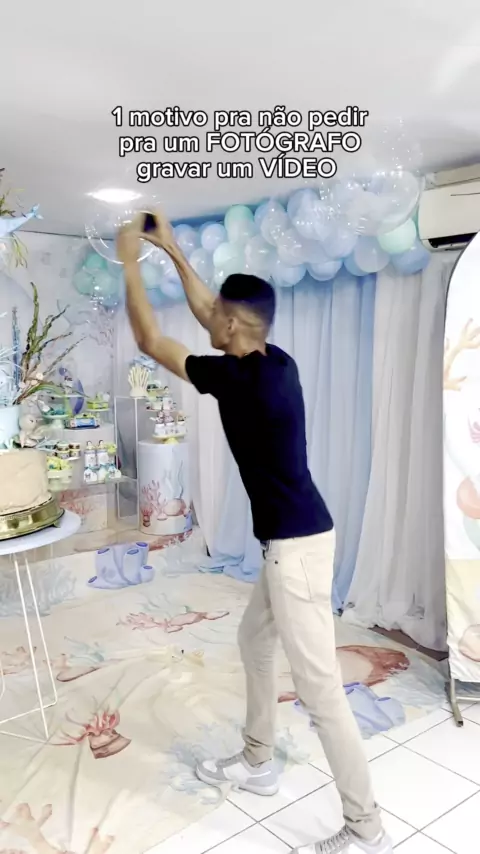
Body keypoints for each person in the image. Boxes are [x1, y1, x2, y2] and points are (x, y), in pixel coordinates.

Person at [117, 213, 392, 854]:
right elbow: (212, 309)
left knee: (321, 692)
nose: (208, 319)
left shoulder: (239, 385)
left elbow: (150, 339)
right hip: (294, 541)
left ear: (233, 329)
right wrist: (172, 248)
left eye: (218, 317)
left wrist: (130, 260)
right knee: (254, 642)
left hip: (295, 551)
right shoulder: (274, 361)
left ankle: (366, 828)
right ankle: (258, 761)